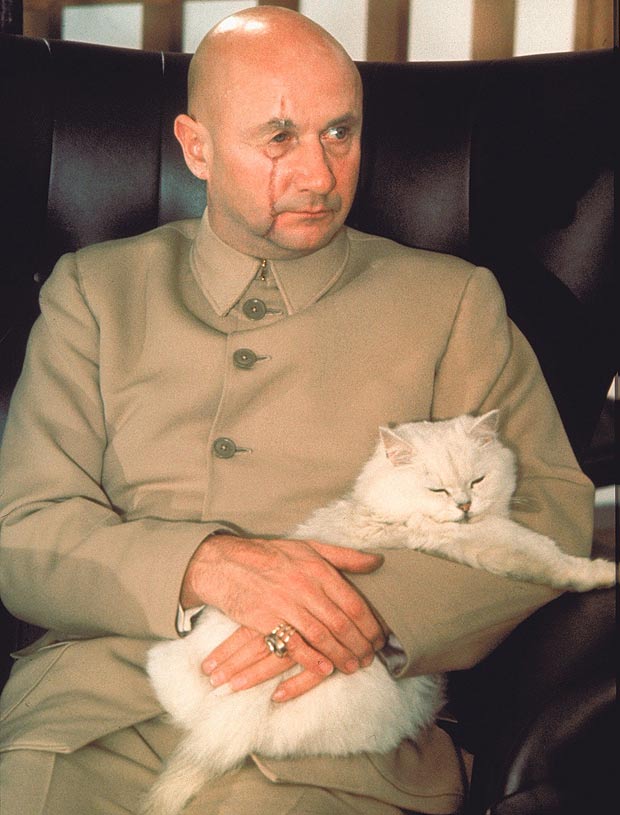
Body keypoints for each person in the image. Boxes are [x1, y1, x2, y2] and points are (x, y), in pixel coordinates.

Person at [0, 7, 593, 815]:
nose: (320, 175)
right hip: (88, 721)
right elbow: (24, 529)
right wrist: (202, 566)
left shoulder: (452, 302)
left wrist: (356, 614)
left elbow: (548, 511)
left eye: (340, 133)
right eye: (279, 137)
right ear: (197, 148)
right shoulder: (93, 293)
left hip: (336, 738)